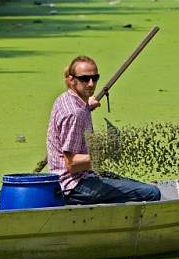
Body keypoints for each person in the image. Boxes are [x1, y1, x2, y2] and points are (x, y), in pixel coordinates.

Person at [46, 55, 162, 204]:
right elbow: (72, 164)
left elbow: (79, 109)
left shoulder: (67, 99)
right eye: (84, 79)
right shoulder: (75, 114)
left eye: (95, 78)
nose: (91, 84)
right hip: (74, 186)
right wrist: (106, 152)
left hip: (83, 176)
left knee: (138, 185)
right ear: (71, 80)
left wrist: (87, 105)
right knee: (151, 193)